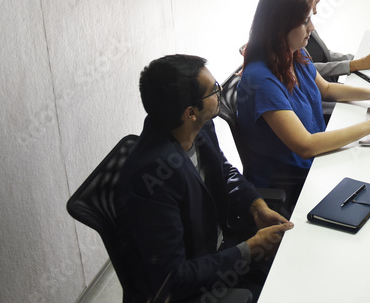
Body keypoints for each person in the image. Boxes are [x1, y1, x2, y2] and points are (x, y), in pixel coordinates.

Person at [116, 54, 293, 303]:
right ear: (190, 112)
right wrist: (249, 249)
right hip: (200, 282)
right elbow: (174, 278)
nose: (219, 92)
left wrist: (256, 207)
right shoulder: (152, 179)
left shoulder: (199, 126)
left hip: (223, 248)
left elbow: (223, 170)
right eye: (214, 90)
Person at [236, 0, 370, 214]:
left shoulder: (296, 52)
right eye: (305, 21)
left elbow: (326, 89)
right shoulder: (261, 80)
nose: (312, 27)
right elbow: (306, 146)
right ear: (282, 25)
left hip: (317, 158)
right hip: (296, 177)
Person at [286, 0, 370, 82]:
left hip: (329, 85)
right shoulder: (292, 34)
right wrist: (352, 65)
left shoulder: (307, 24)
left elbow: (324, 54)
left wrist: (357, 58)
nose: (315, 11)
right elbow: (306, 69)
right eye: (314, 3)